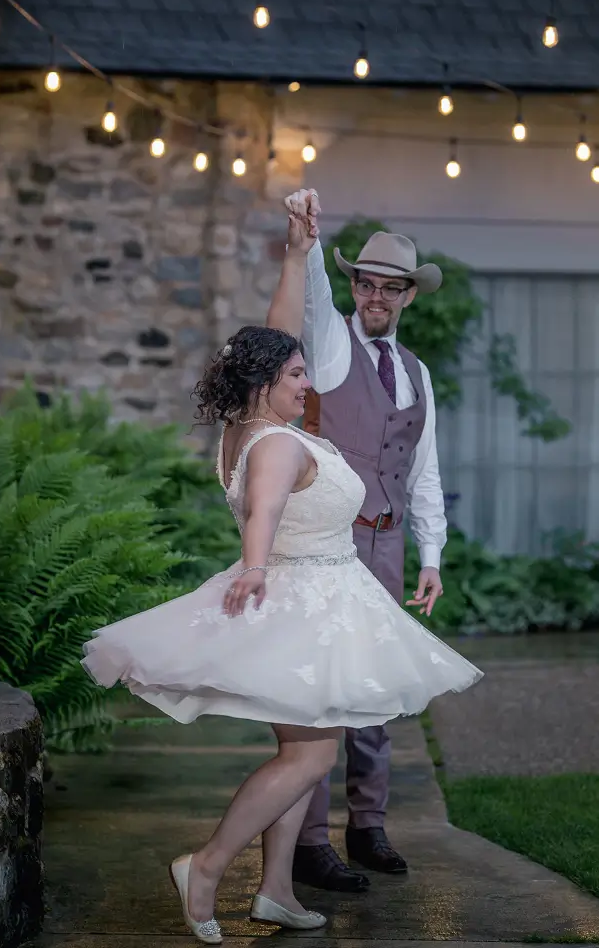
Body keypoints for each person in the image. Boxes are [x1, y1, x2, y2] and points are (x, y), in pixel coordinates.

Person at [80, 208, 482, 945]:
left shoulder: (262, 422)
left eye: (302, 370)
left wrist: (297, 255)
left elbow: (282, 337)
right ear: (269, 382)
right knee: (311, 750)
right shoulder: (271, 442)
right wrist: (257, 566)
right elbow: (262, 508)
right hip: (299, 592)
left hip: (329, 585)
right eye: (296, 373)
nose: (307, 380)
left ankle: (273, 891)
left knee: (310, 744)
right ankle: (206, 866)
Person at [269, 187, 448, 893]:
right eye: (364, 283)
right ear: (352, 285)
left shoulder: (416, 373)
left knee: (374, 687)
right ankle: (310, 842)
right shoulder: (329, 346)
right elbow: (310, 298)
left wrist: (429, 554)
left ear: (407, 296)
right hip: (327, 545)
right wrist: (306, 241)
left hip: (387, 542)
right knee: (321, 688)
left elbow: (424, 470)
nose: (374, 297)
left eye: (389, 288)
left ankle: (366, 825)